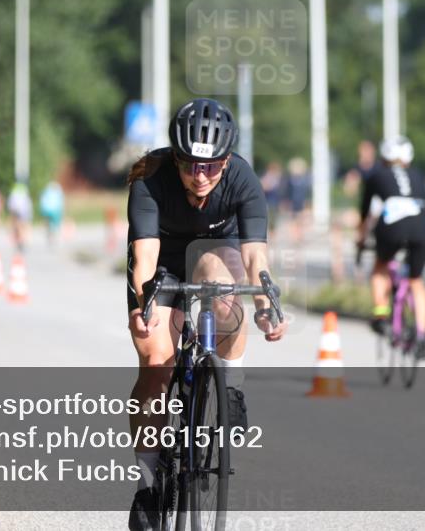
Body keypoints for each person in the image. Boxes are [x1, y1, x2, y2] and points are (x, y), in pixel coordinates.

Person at [125, 98, 287, 530]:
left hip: (215, 255)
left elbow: (255, 255)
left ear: (227, 160)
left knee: (227, 294)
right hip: (160, 265)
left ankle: (229, 384)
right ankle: (147, 486)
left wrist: (266, 306)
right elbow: (144, 257)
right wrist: (146, 308)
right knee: (156, 362)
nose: (200, 176)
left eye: (211, 166)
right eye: (190, 166)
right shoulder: (151, 181)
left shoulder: (243, 179)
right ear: (175, 158)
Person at [356, 135, 425, 360]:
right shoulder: (419, 175)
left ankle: (381, 316)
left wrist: (361, 240)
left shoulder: (376, 174)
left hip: (392, 224)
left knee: (381, 266)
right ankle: (422, 333)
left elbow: (365, 213)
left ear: (384, 157)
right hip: (423, 224)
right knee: (417, 280)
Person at [283, 157, 310, 242]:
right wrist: (287, 202)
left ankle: (300, 235)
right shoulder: (290, 180)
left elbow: (307, 192)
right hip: (293, 202)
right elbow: (287, 192)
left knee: (301, 219)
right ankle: (294, 236)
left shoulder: (304, 180)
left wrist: (307, 202)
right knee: (293, 219)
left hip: (301, 202)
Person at [7, 183, 33, 252]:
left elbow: (11, 204)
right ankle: (22, 240)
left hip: (16, 209)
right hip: (24, 211)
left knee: (17, 226)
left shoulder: (14, 193)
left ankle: (20, 240)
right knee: (22, 226)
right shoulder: (24, 193)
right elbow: (28, 204)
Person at [38, 180, 65, 245]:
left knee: (48, 222)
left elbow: (42, 200)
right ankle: (54, 235)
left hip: (47, 209)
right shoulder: (58, 191)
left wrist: (42, 210)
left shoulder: (46, 191)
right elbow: (61, 201)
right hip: (55, 210)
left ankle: (49, 234)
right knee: (56, 224)